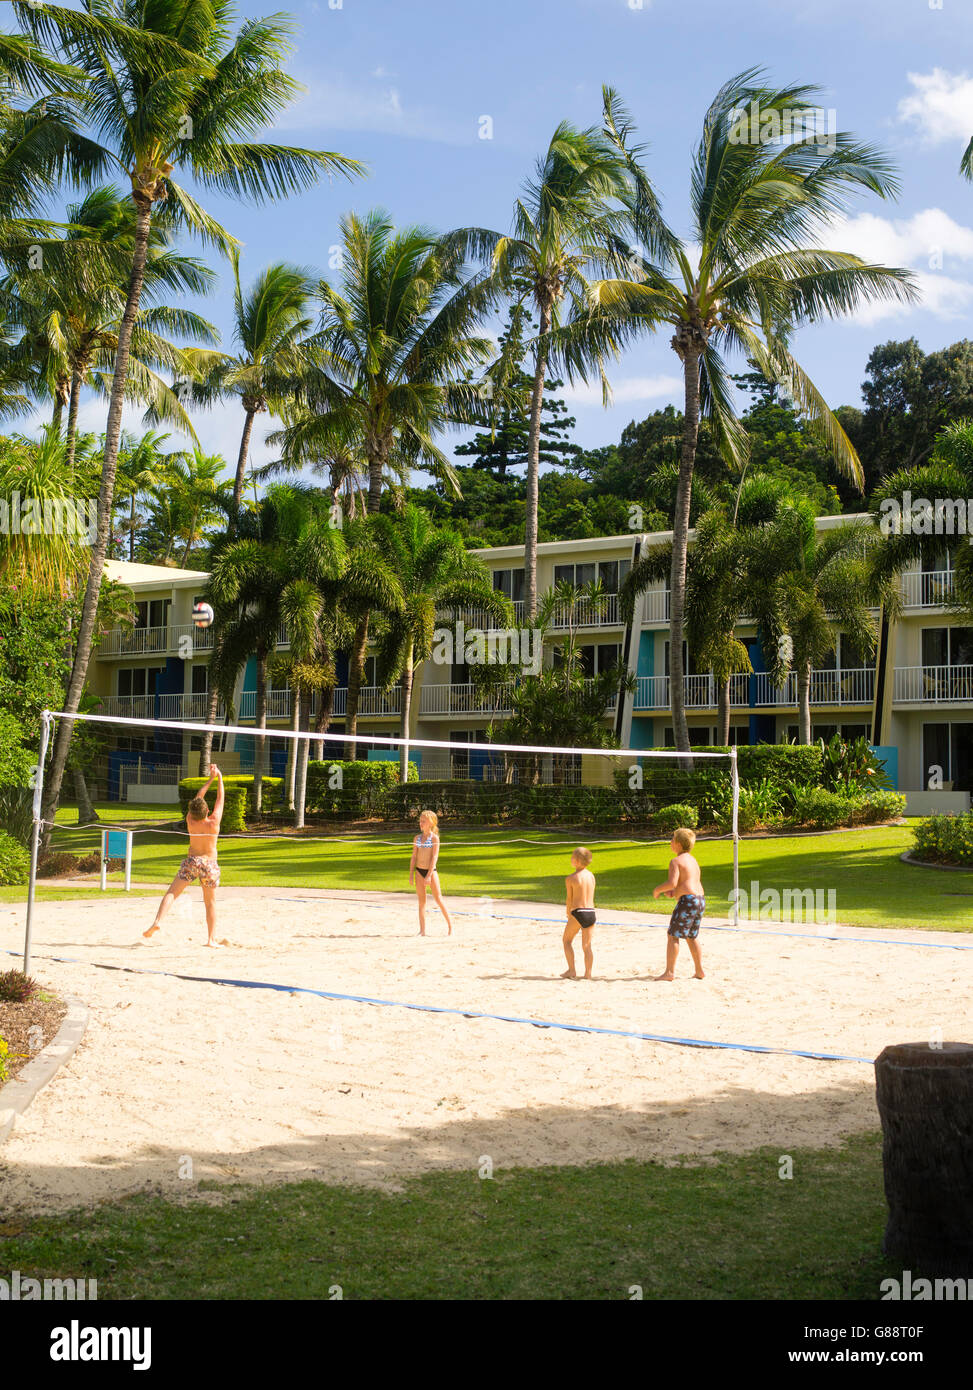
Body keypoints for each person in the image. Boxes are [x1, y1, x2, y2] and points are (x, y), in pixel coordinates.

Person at [144, 763, 227, 947]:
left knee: (172, 893)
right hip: (210, 864)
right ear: (207, 811)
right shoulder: (213, 822)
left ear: (192, 811)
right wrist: (219, 777)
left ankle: (157, 921)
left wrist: (209, 779)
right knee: (210, 903)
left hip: (192, 861)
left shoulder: (190, 820)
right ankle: (211, 939)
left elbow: (197, 799)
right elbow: (220, 799)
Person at [652, 826, 705, 981]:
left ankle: (669, 972)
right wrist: (675, 892)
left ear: (679, 844)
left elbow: (671, 882)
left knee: (672, 936)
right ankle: (699, 970)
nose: (670, 841)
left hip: (688, 901)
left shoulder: (675, 861)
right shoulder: (693, 860)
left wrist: (658, 890)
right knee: (691, 936)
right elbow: (689, 883)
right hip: (700, 900)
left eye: (673, 839)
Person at [409, 809, 453, 937]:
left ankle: (451, 927)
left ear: (431, 823)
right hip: (419, 872)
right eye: (420, 821)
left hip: (431, 872)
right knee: (421, 902)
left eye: (423, 821)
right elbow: (413, 857)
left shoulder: (434, 838)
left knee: (439, 899)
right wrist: (411, 874)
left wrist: (428, 875)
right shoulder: (417, 838)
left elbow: (434, 858)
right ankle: (422, 930)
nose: (421, 823)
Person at [562, 846, 596, 979]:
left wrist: (568, 913)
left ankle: (571, 970)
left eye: (572, 857)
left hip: (578, 911)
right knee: (587, 946)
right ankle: (588, 974)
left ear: (576, 861)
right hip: (591, 911)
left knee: (566, 941)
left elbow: (569, 899)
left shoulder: (571, 878)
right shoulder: (591, 876)